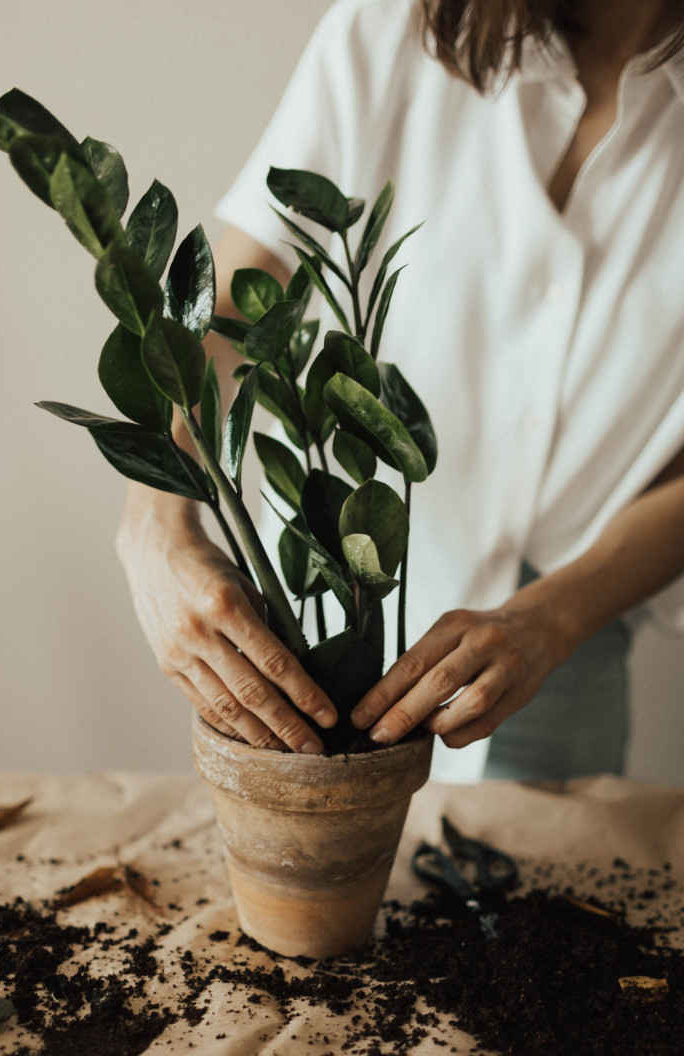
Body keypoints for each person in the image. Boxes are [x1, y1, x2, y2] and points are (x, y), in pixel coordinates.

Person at [117, 0, 684, 783]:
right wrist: (153, 522)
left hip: (563, 642)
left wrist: (551, 620)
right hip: (318, 600)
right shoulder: (392, 29)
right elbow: (230, 305)